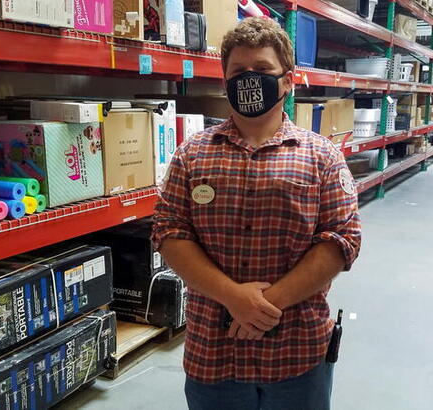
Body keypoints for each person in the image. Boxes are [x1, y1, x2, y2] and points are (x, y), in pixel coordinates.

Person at [152, 17, 361, 410]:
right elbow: (169, 233)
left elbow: (341, 240)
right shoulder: (191, 154)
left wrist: (262, 306)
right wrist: (232, 296)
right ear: (224, 80)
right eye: (239, 72)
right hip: (214, 355)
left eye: (263, 70)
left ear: (287, 80)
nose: (250, 80)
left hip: (297, 353)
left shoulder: (322, 157)